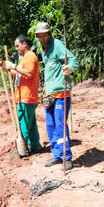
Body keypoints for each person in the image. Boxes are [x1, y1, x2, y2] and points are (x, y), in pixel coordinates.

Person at [35, 22, 78, 170]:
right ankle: (57, 155)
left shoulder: (57, 45)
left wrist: (70, 68)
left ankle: (67, 157)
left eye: (44, 35)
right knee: (51, 126)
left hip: (61, 93)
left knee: (61, 125)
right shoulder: (42, 49)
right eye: (39, 36)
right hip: (49, 94)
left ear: (49, 34)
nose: (42, 38)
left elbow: (72, 59)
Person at [0, 34, 41, 154]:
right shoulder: (24, 58)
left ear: (24, 44)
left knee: (24, 122)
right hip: (23, 95)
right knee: (30, 123)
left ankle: (23, 149)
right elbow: (17, 74)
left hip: (27, 96)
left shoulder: (31, 57)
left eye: (17, 46)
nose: (16, 49)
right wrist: (5, 67)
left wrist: (13, 66)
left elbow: (29, 73)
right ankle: (35, 145)